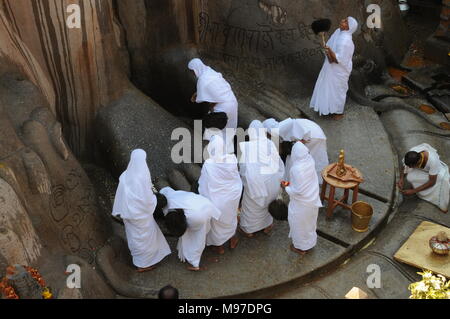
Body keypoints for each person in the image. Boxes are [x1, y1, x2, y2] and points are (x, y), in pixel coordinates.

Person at [112, 149, 171, 272]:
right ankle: (144, 264)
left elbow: (121, 194)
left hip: (128, 213)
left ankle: (140, 262)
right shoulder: (142, 176)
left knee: (135, 237)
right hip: (141, 214)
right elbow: (147, 199)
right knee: (145, 238)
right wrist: (156, 201)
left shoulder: (124, 175)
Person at [239, 120, 285, 237]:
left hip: (255, 184)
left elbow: (244, 169)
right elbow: (278, 162)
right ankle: (267, 225)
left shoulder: (248, 147)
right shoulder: (270, 143)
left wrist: (246, 183)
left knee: (252, 206)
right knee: (269, 203)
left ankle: (249, 230)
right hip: (273, 181)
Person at [159, 186, 222, 271]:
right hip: (206, 205)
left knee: (192, 237)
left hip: (195, 215)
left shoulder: (168, 206)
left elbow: (176, 224)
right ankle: (212, 245)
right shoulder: (177, 194)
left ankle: (194, 262)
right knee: (200, 234)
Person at [199, 135, 243, 254]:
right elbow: (236, 178)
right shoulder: (232, 159)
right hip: (232, 196)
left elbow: (203, 184)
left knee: (217, 224)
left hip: (216, 199)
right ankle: (232, 238)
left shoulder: (208, 164)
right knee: (231, 218)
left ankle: (219, 247)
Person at [310, 17, 358, 120]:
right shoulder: (337, 32)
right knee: (327, 88)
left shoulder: (347, 41)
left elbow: (339, 60)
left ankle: (338, 112)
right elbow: (331, 55)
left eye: (346, 22)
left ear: (349, 28)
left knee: (337, 90)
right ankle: (327, 108)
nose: (342, 21)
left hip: (339, 70)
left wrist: (330, 51)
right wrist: (326, 48)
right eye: (344, 19)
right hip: (330, 66)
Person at [188, 58, 238, 154]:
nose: (193, 74)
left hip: (223, 107)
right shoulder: (210, 72)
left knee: (214, 130)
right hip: (232, 101)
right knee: (228, 132)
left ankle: (213, 155)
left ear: (195, 69)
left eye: (192, 71)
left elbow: (201, 99)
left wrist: (196, 98)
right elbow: (215, 89)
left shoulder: (202, 80)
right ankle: (227, 156)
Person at [281, 142, 322, 255]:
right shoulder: (310, 160)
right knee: (309, 225)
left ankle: (300, 248)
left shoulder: (296, 169)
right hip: (313, 200)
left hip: (301, 204)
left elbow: (298, 191)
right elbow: (303, 183)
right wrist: (290, 184)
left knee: (298, 225)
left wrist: (286, 187)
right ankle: (309, 243)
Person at [398, 143, 449, 213]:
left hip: (436, 174)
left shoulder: (433, 161)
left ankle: (429, 194)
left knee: (441, 182)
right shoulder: (412, 153)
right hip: (423, 169)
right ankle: (418, 188)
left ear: (417, 163)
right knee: (409, 177)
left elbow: (432, 182)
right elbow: (404, 166)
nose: (409, 168)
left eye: (411, 166)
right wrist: (401, 179)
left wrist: (413, 191)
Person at [276, 118, 329, 184]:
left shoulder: (293, 131)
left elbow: (301, 141)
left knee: (307, 155)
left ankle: (311, 176)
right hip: (312, 132)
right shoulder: (286, 126)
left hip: (314, 137)